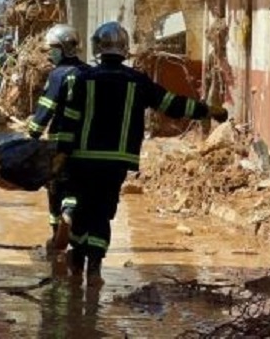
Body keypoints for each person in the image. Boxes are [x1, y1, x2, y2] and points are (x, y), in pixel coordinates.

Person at [56, 21, 229, 288]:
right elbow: (171, 104)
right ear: (125, 49)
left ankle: (76, 261)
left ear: (97, 48)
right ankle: (95, 269)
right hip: (117, 162)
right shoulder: (137, 81)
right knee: (102, 213)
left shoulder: (82, 79)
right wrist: (207, 110)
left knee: (83, 209)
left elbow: (69, 121)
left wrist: (61, 155)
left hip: (83, 158)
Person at [25, 24, 90, 253]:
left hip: (59, 141)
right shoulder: (89, 73)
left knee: (54, 185)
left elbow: (46, 108)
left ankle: (56, 236)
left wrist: (31, 134)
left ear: (63, 48)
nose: (49, 53)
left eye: (52, 48)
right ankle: (71, 219)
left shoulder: (59, 74)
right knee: (75, 187)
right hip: (87, 144)